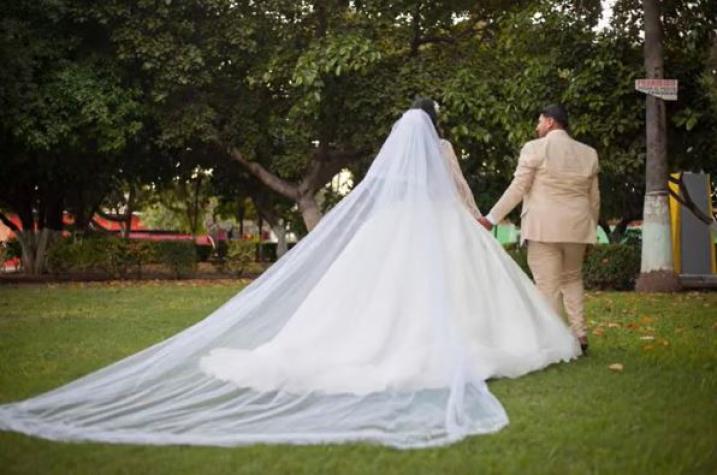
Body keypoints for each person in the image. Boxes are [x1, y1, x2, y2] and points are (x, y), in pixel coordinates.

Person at [0, 101, 579, 449]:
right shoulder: (444, 147)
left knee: (375, 295)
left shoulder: (393, 152)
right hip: (440, 225)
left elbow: (382, 194)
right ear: (434, 125)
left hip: (397, 226)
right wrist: (475, 219)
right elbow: (454, 191)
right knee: (459, 292)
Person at [479, 104, 600, 352]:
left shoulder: (535, 148)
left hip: (543, 226)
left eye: (539, 121)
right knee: (573, 278)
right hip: (578, 227)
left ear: (550, 122)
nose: (537, 127)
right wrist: (591, 232)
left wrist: (491, 218)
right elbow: (594, 199)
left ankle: (555, 342)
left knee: (547, 285)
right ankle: (579, 333)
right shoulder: (589, 153)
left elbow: (518, 188)